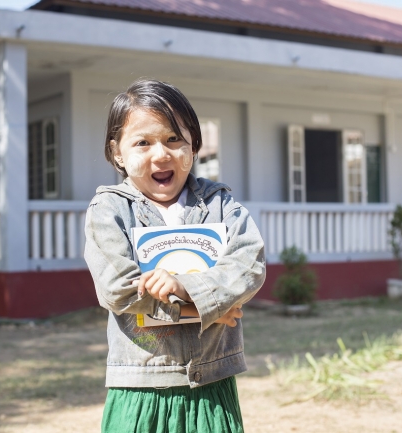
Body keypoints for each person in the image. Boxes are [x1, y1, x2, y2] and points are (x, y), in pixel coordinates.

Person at [84, 78, 266, 433]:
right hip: (141, 387)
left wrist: (186, 288)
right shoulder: (108, 210)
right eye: (142, 142)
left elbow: (249, 262)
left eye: (173, 139)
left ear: (194, 146)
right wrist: (202, 306)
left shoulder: (219, 203)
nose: (161, 154)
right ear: (117, 152)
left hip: (212, 384)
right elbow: (118, 289)